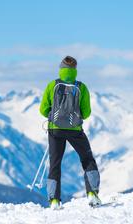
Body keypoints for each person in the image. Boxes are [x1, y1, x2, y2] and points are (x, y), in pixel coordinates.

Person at [39, 56, 101, 210]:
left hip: (55, 129)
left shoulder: (52, 85)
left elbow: (43, 109)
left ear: (61, 69)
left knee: (55, 164)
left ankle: (54, 200)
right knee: (87, 159)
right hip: (75, 130)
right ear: (75, 70)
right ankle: (92, 193)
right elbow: (86, 113)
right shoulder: (81, 87)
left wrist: (53, 116)